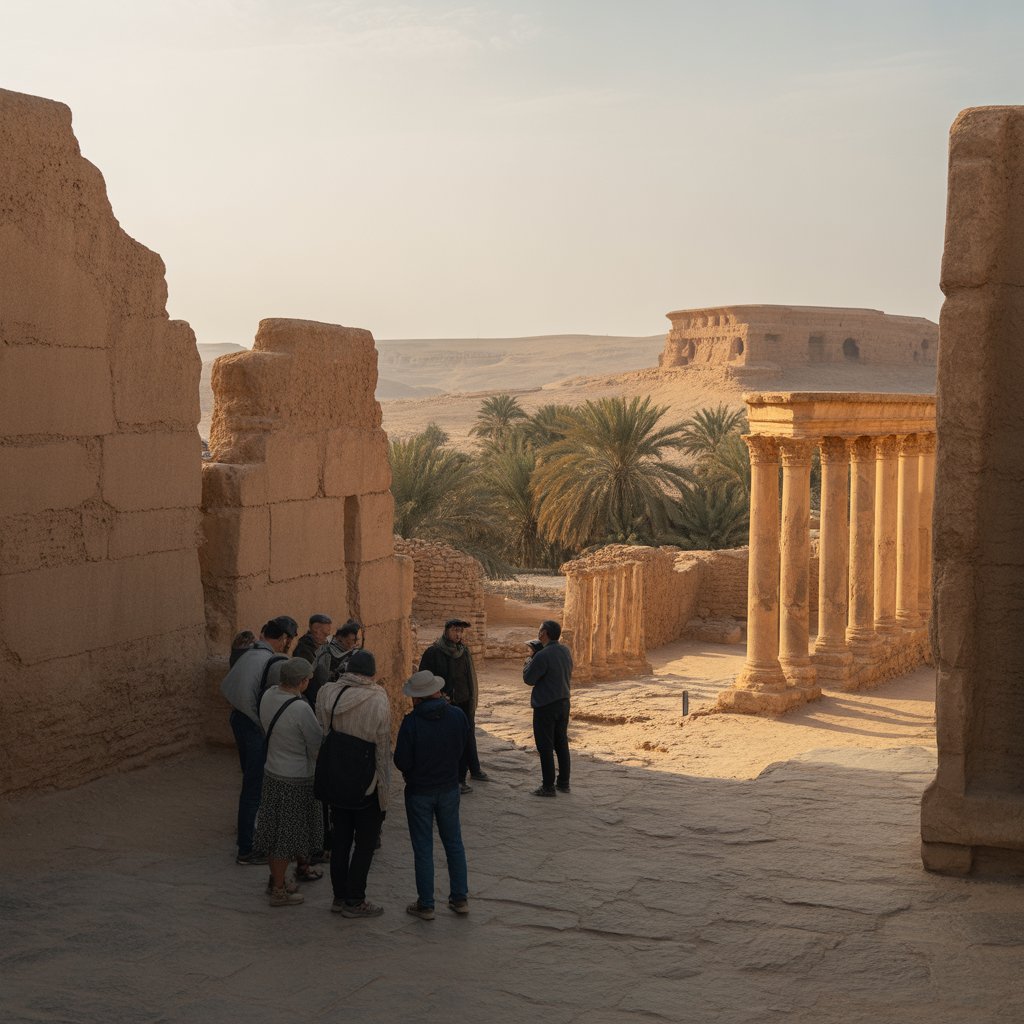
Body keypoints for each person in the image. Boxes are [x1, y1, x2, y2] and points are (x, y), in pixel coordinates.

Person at [315, 649, 391, 918]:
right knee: (366, 843)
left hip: (336, 776)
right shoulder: (378, 697)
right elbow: (382, 747)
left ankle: (338, 897)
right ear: (371, 674)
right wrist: (384, 790)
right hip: (366, 781)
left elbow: (322, 731)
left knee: (341, 839)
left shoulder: (327, 692)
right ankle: (355, 900)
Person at [220, 615, 299, 863]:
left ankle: (249, 831)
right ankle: (246, 848)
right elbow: (277, 701)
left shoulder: (249, 653)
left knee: (251, 781)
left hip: (238, 719)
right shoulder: (273, 662)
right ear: (284, 639)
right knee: (254, 788)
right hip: (254, 726)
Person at [393, 670, 471, 920]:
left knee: (423, 847)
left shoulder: (412, 722)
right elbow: (463, 749)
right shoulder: (457, 715)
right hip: (448, 788)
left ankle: (426, 904)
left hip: (419, 791)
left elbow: (402, 760)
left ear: (417, 697)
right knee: (454, 843)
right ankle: (460, 898)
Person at [252, 658, 325, 906]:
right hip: (295, 778)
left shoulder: (269, 696)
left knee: (276, 832)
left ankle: (277, 879)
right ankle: (280, 891)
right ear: (303, 681)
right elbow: (316, 745)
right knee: (285, 837)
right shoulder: (300, 708)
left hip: (272, 772)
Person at [418, 618, 488, 793]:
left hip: (463, 702)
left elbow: (468, 678)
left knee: (463, 739)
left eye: (460, 631)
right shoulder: (433, 652)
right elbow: (424, 678)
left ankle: (461, 778)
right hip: (442, 705)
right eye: (455, 630)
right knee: (446, 742)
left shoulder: (463, 652)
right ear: (446, 631)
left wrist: (471, 699)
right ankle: (448, 778)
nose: (458, 634)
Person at [523, 619, 573, 798]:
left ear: (544, 633)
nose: (538, 633)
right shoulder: (565, 650)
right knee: (561, 743)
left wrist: (530, 658)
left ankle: (548, 786)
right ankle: (564, 783)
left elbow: (529, 679)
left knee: (545, 747)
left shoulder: (543, 655)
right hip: (563, 702)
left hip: (546, 705)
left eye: (539, 630)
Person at [309, 619, 362, 708]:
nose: (354, 644)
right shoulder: (327, 652)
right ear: (340, 638)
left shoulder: (345, 652)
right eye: (352, 640)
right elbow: (322, 682)